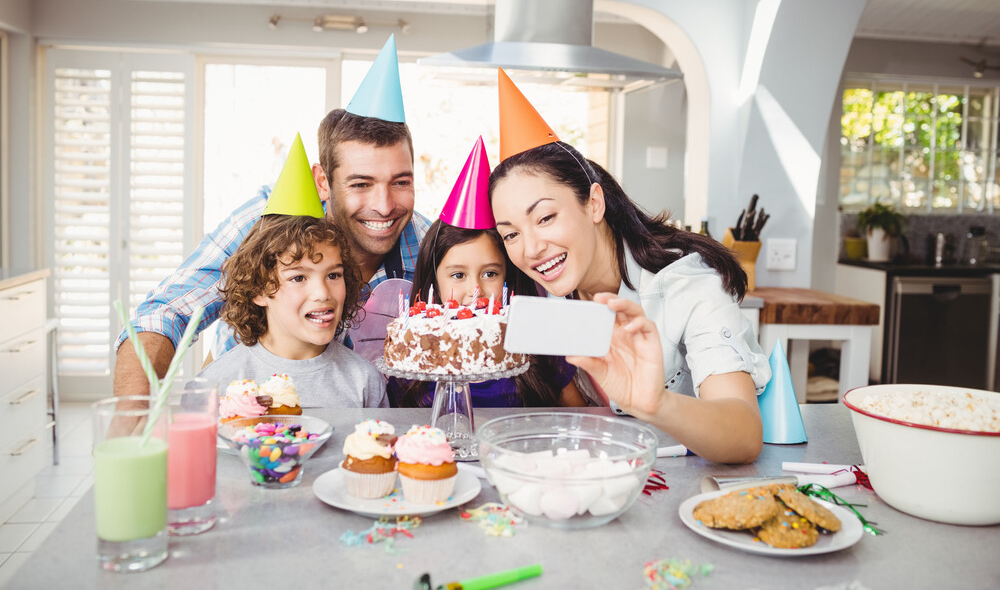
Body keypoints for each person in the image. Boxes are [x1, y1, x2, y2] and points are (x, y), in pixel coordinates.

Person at [114, 35, 429, 396]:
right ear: (323, 182)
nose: (385, 205)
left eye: (400, 182)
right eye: (361, 184)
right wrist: (132, 410)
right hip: (248, 408)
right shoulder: (269, 222)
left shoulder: (429, 244)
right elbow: (167, 310)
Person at [487, 70, 770, 463]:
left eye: (546, 217)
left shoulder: (688, 286)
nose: (531, 248)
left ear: (594, 203)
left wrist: (657, 404)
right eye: (511, 234)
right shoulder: (541, 299)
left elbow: (743, 434)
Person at [387, 139, 585, 408]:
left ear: (509, 276)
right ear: (434, 280)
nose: (476, 290)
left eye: (490, 273)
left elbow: (580, 419)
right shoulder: (412, 370)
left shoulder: (541, 353)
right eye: (458, 275)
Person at [201, 213, 387, 407]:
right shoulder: (218, 382)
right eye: (298, 278)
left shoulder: (366, 382)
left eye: (333, 275)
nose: (322, 293)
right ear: (259, 290)